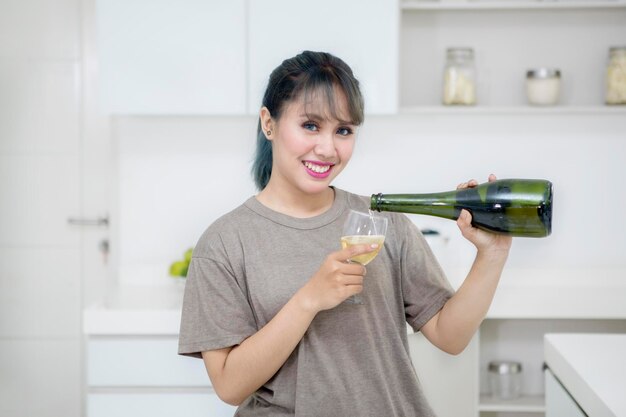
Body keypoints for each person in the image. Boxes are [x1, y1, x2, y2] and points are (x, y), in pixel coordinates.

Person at [178, 50, 512, 416]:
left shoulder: (382, 219)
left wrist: (492, 255)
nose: (327, 148)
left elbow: (451, 336)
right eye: (310, 125)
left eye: (343, 131)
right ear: (268, 123)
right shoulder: (225, 242)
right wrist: (310, 299)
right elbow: (228, 385)